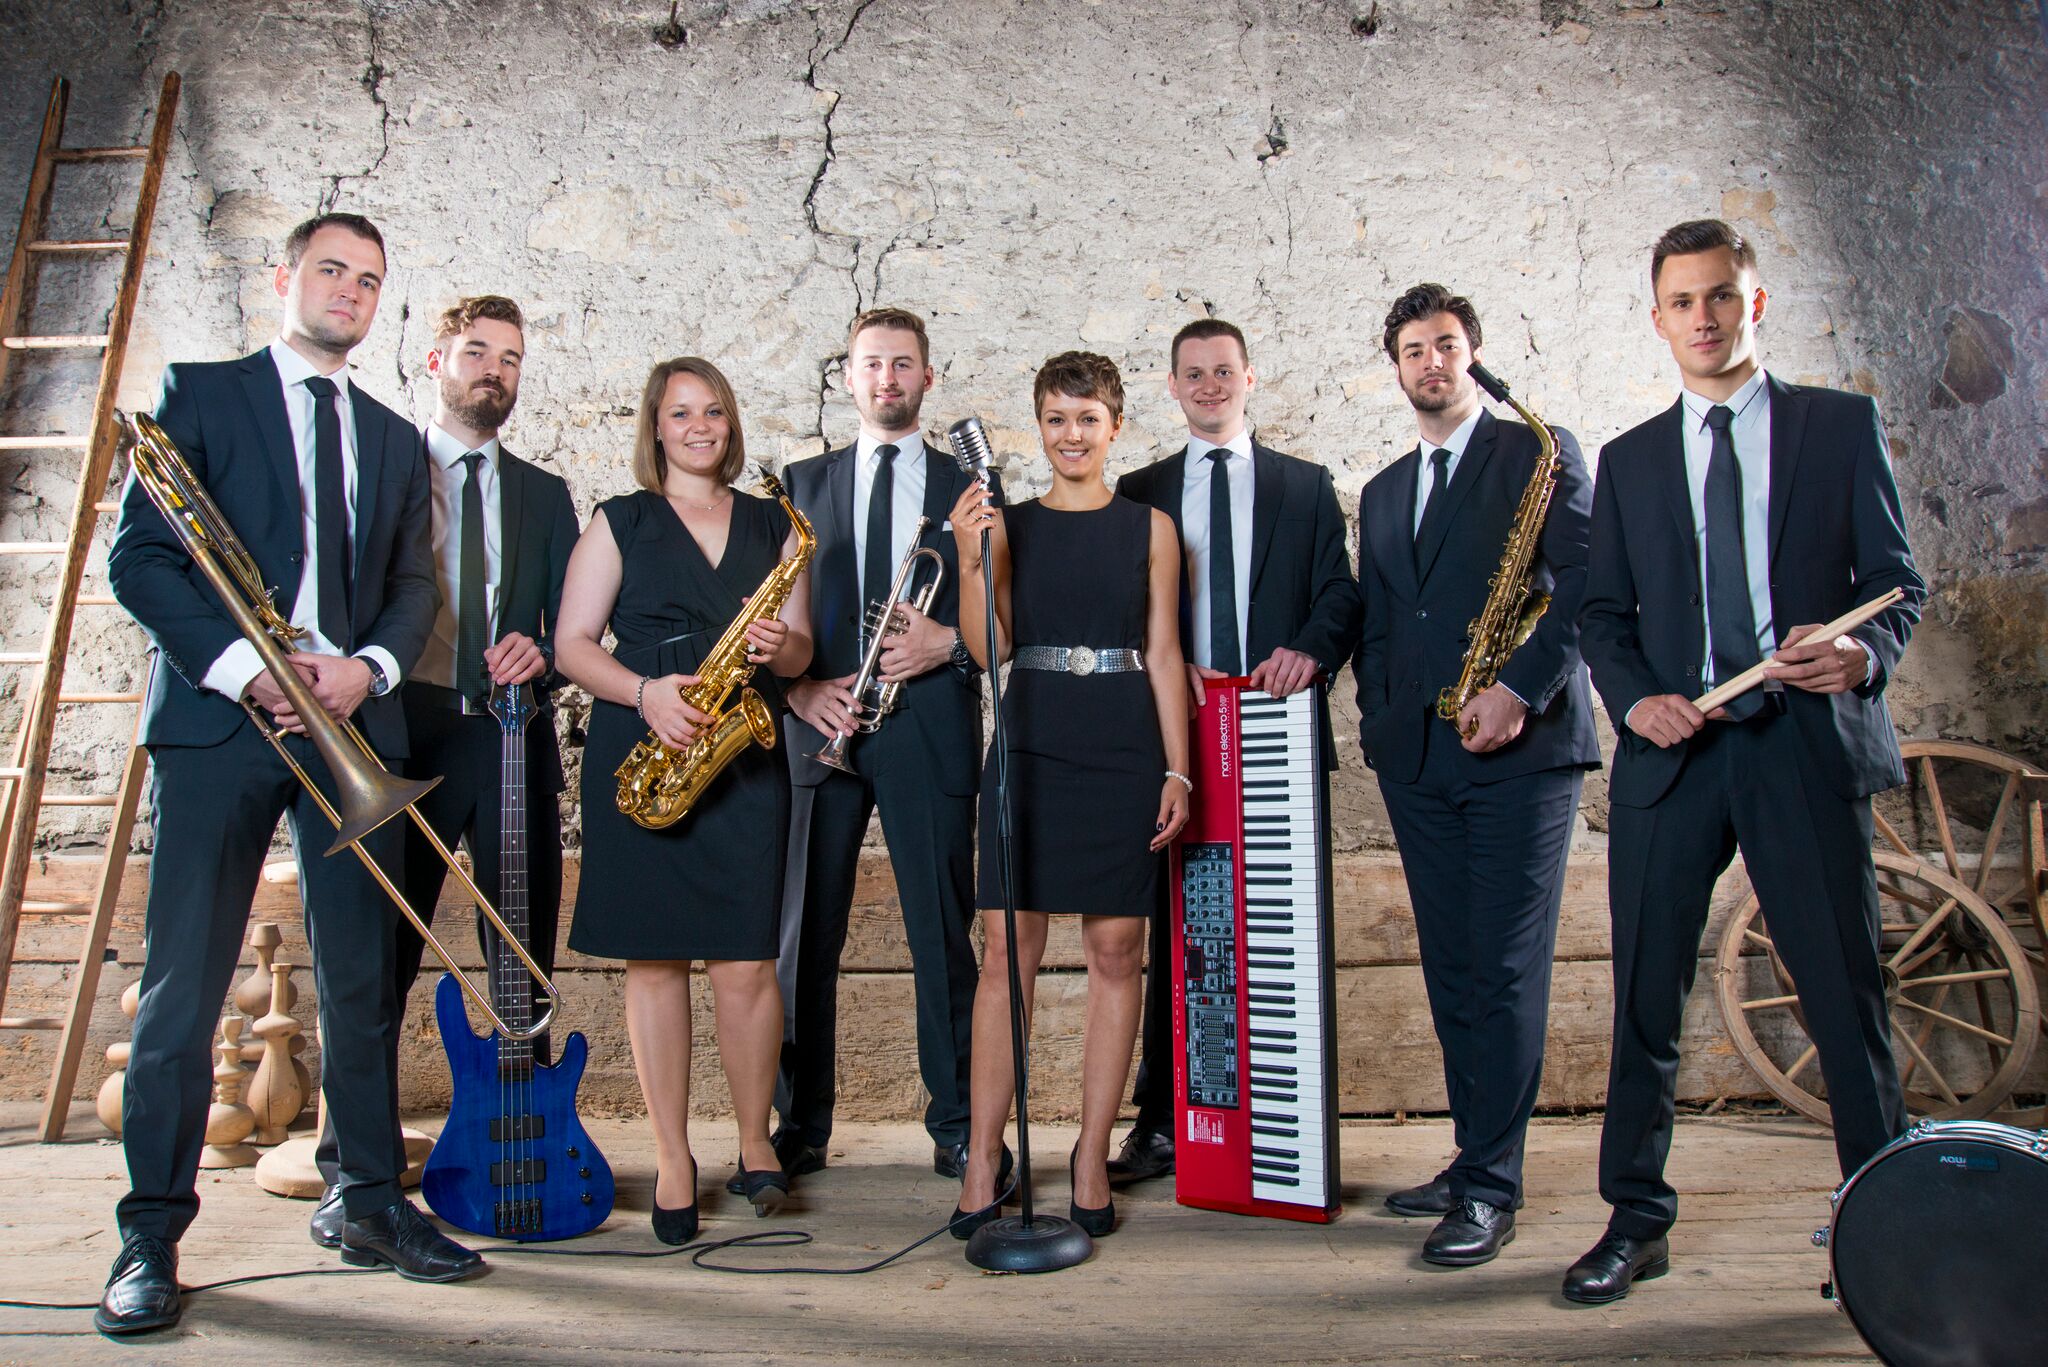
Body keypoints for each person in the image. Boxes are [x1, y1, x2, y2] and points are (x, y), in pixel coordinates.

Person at [102, 213, 470, 1336]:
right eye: (331, 270)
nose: (349, 291)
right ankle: (150, 1234)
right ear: (286, 278)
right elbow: (143, 559)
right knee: (183, 987)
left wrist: (366, 668)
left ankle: (367, 1200)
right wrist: (242, 667)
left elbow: (413, 588)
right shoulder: (202, 394)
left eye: (369, 279)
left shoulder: (396, 439)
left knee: (361, 980)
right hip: (221, 722)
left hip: (348, 728)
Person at [1569, 218, 1925, 1303]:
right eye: (1682, 301)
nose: (1704, 317)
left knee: (1843, 993)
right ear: (1657, 318)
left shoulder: (1838, 426)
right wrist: (1638, 701)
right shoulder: (1630, 458)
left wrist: (1859, 654)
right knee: (1646, 996)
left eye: (1721, 294)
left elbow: (1897, 585)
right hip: (1677, 756)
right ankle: (1635, 1218)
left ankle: (1885, 1232)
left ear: (1754, 302)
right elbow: (1601, 614)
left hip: (1799, 744)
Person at [306, 294, 581, 1246]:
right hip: (398, 737)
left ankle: (521, 1150)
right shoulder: (381, 469)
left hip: (507, 738)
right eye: (476, 352)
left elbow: (571, 627)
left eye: (510, 357)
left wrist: (542, 655)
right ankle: (354, 1172)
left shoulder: (545, 493)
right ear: (435, 362)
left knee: (521, 962)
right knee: (376, 961)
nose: (493, 370)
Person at [1352, 284, 1599, 1265]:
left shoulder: (1539, 452)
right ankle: (1472, 1157)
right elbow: (1383, 620)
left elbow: (1587, 586)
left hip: (1521, 751)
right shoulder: (1382, 490)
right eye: (1414, 349)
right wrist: (1379, 721)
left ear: (1473, 353)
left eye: (1447, 344)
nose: (1432, 361)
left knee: (1501, 967)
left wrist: (1519, 689)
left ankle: (1494, 1186)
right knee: (1452, 965)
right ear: (1397, 368)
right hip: (1418, 756)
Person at [554, 357, 815, 1244]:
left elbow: (801, 652)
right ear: (655, 426)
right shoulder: (619, 520)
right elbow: (571, 644)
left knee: (747, 963)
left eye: (713, 411)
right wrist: (645, 695)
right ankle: (673, 1156)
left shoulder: (776, 523)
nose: (699, 426)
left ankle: (755, 1143)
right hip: (648, 746)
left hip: (741, 756)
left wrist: (780, 646)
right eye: (680, 413)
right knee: (656, 963)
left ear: (729, 423)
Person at [1109, 317, 1362, 1185]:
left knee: (1278, 930)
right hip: (1179, 731)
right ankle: (1161, 1122)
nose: (1210, 385)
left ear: (1250, 378)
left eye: (1224, 371)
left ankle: (1283, 1121)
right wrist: (1167, 665)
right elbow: (1123, 613)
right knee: (1179, 928)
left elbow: (1340, 593)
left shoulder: (1305, 484)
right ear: (1173, 386)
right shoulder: (1140, 490)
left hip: (1275, 724)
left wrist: (1311, 651)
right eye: (1194, 373)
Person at [949, 351, 1191, 1238]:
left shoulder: (1152, 528)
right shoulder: (1005, 523)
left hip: (1124, 743)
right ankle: (984, 1157)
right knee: (1005, 952)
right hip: (1032, 739)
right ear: (1039, 426)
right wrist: (970, 562)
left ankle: (1091, 1154)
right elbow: (990, 650)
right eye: (1057, 418)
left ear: (1115, 427)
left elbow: (1163, 653)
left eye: (1088, 418)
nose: (1072, 434)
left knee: (1117, 950)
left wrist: (1178, 769)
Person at [769, 308, 984, 1189]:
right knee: (801, 934)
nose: (886, 378)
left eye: (902, 364)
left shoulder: (969, 483)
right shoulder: (800, 482)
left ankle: (961, 1125)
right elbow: (768, 613)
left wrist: (949, 643)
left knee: (941, 930)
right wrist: (795, 693)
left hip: (927, 722)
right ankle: (799, 1125)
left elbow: (1007, 612)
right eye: (871, 364)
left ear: (928, 377)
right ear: (848, 377)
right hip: (821, 720)